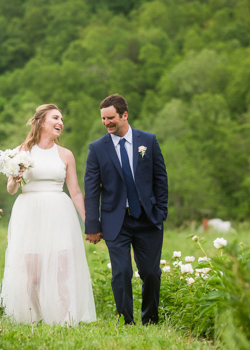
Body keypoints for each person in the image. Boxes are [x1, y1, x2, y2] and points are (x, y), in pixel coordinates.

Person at [0, 104, 96, 326]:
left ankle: (65, 318)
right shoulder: (21, 151)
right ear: (42, 122)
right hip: (29, 213)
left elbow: (75, 191)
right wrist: (15, 178)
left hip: (59, 213)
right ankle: (38, 315)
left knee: (62, 268)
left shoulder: (65, 155)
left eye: (61, 118)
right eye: (55, 117)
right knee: (33, 274)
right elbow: (11, 190)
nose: (60, 122)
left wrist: (89, 223)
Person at [84, 94, 168, 325]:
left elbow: (160, 178)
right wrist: (92, 225)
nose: (106, 123)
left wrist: (161, 211)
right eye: (103, 119)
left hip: (148, 219)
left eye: (110, 118)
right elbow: (91, 190)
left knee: (151, 273)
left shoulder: (148, 141)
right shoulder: (97, 149)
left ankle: (150, 319)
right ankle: (125, 322)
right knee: (121, 273)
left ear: (124, 115)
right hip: (115, 221)